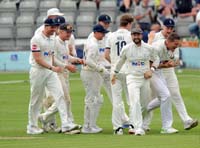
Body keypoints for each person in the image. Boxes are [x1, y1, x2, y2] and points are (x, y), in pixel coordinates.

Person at [27, 18, 78, 134]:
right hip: (38, 71)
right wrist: (52, 67)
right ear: (46, 26)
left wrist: (60, 66)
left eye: (55, 27)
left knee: (61, 96)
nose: (54, 29)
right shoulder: (36, 39)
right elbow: (38, 59)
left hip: (50, 72)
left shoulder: (52, 40)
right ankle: (32, 126)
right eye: (52, 27)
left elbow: (52, 58)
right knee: (36, 100)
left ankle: (65, 124)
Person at [147, 18, 198, 131]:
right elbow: (147, 53)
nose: (169, 30)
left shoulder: (175, 40)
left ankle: (186, 120)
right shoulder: (154, 37)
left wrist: (171, 63)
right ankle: (145, 124)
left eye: (171, 28)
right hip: (154, 70)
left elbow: (175, 60)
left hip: (168, 71)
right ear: (162, 27)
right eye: (167, 28)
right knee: (153, 97)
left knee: (175, 94)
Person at [111, 28, 159, 136]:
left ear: (141, 36)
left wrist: (151, 70)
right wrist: (115, 73)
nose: (136, 37)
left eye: (138, 35)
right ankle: (138, 128)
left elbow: (156, 59)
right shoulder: (126, 48)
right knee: (135, 102)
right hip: (131, 78)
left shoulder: (148, 48)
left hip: (144, 78)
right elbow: (120, 61)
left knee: (145, 104)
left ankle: (138, 124)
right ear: (131, 36)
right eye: (134, 35)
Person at [38, 23, 84, 134]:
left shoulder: (65, 42)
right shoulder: (55, 42)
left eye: (70, 32)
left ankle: (65, 122)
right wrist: (67, 66)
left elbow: (65, 57)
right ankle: (52, 119)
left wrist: (77, 59)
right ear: (60, 31)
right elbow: (53, 60)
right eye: (67, 32)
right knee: (63, 99)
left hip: (64, 73)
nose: (69, 34)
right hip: (57, 74)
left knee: (66, 100)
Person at [105, 14, 134, 135]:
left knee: (117, 100)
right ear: (128, 24)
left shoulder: (111, 36)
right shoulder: (130, 36)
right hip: (128, 71)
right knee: (131, 99)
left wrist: (115, 65)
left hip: (114, 72)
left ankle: (117, 128)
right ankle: (133, 126)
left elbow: (106, 55)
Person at [80, 24, 109, 134]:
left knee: (97, 99)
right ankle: (87, 126)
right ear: (96, 32)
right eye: (102, 33)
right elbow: (88, 61)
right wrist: (101, 69)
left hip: (92, 72)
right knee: (91, 99)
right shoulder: (93, 44)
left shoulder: (92, 41)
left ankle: (91, 124)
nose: (103, 35)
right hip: (90, 73)